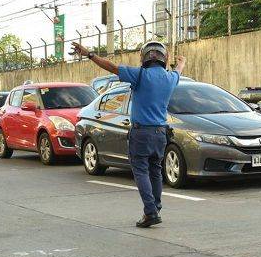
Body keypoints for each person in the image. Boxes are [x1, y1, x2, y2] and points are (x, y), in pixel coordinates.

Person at [71, 41, 186, 227]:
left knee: (140, 169)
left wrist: (90, 54)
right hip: (160, 132)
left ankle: (150, 212)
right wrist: (181, 62)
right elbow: (178, 70)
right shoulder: (170, 78)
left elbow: (112, 67)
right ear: (164, 59)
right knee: (155, 170)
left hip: (141, 132)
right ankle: (155, 208)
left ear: (144, 58)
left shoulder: (140, 75)